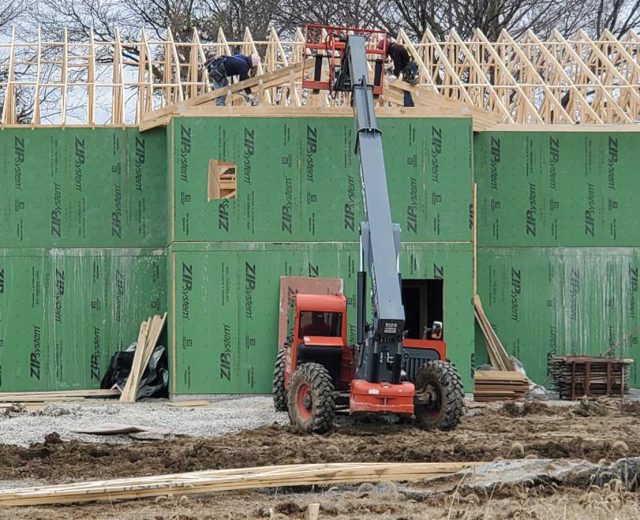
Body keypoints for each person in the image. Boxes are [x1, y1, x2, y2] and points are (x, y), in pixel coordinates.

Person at [377, 38, 418, 107]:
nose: (382, 52)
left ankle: (408, 107)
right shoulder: (395, 48)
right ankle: (410, 106)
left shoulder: (394, 50)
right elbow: (399, 62)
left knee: (406, 87)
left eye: (382, 50)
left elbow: (398, 63)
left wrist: (395, 75)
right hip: (410, 67)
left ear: (385, 47)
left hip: (410, 68)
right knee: (407, 88)